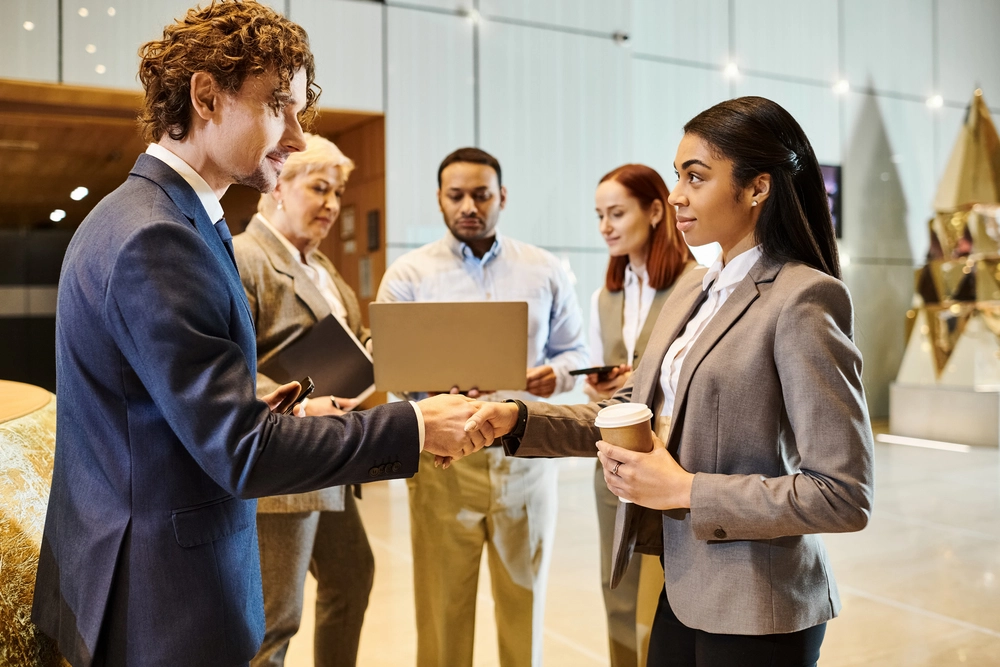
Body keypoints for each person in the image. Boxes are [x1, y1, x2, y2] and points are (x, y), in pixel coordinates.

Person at [32, 3, 479, 666]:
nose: (296, 136)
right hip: (160, 602)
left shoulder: (161, 215)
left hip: (143, 580)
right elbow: (240, 450)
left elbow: (159, 408)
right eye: (279, 106)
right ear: (206, 97)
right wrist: (415, 426)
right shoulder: (158, 236)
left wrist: (280, 410)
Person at [464, 97, 875, 667]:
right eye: (678, 174)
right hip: (682, 587)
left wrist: (685, 490)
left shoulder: (803, 298)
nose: (677, 194)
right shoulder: (694, 289)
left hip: (758, 605)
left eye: (695, 177)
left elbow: (842, 495)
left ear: (758, 188)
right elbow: (627, 409)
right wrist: (518, 418)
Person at [376, 147, 589, 667]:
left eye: (481, 195)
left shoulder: (544, 269)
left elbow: (576, 352)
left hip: (525, 457)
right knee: (442, 608)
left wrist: (556, 373)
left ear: (502, 197)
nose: (469, 206)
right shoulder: (409, 274)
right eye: (456, 195)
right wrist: (430, 390)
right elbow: (388, 369)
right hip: (443, 461)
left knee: (525, 601)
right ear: (439, 199)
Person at [232, 134, 372, 667]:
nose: (332, 205)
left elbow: (352, 339)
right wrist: (303, 406)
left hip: (330, 463)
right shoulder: (244, 258)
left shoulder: (321, 267)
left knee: (351, 577)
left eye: (337, 193)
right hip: (283, 468)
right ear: (278, 187)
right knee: (275, 620)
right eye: (319, 188)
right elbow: (226, 372)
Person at [586, 164, 695, 667]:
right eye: (599, 216)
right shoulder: (605, 296)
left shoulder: (694, 284)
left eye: (616, 213)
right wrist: (600, 384)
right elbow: (595, 372)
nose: (605, 226)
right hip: (611, 458)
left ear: (654, 212)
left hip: (668, 457)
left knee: (658, 592)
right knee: (616, 586)